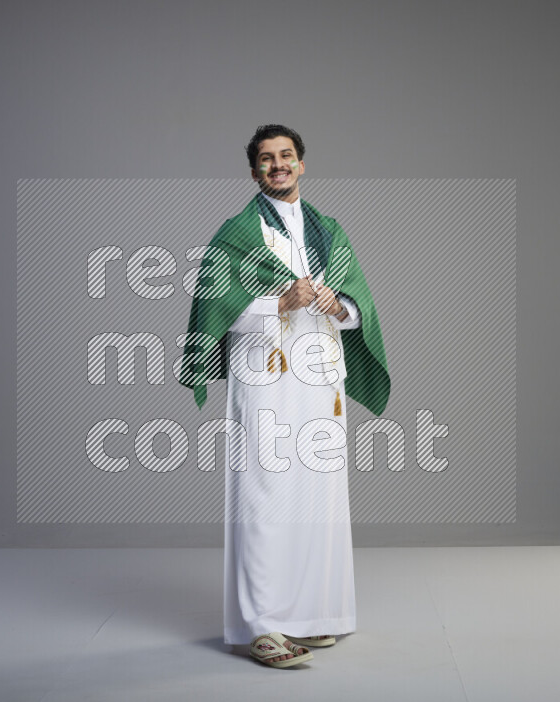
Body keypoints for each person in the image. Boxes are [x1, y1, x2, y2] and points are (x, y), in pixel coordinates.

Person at [179, 124, 390, 668]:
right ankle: (262, 626)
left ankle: (311, 617)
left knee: (318, 497)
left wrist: (337, 305)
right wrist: (279, 301)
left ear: (302, 164)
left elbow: (359, 308)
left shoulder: (329, 232)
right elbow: (213, 308)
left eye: (287, 155)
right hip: (265, 375)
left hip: (319, 377)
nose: (278, 165)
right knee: (264, 496)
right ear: (254, 172)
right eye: (267, 158)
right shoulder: (236, 234)